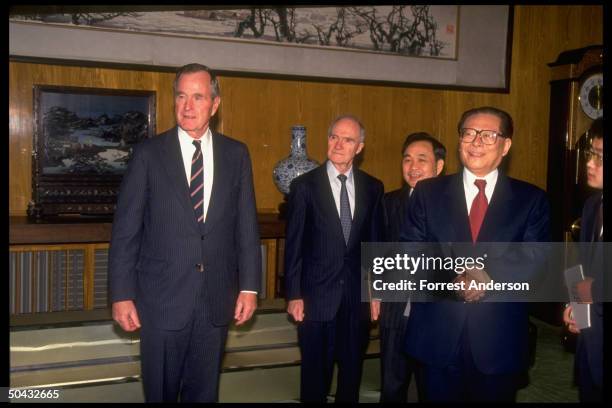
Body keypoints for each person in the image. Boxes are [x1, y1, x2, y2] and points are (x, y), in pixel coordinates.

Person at [108, 63, 261, 402]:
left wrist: (249, 287)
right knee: (160, 393)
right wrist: (121, 294)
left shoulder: (236, 154)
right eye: (181, 97)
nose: (188, 106)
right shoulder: (148, 154)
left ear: (215, 104)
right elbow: (126, 231)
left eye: (198, 97)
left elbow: (246, 227)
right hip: (161, 300)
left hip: (215, 300)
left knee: (204, 395)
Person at [401, 106, 550, 402]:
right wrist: (455, 279)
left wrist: (487, 275)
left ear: (506, 145)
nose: (476, 142)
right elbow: (411, 252)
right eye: (468, 134)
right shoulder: (428, 193)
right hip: (437, 336)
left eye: (488, 135)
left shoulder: (531, 199)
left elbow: (536, 259)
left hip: (499, 339)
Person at [284, 115, 385, 403]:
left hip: (357, 301)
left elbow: (376, 246)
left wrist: (377, 292)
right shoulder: (304, 186)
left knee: (351, 377)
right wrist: (293, 294)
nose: (339, 144)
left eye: (348, 139)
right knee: (315, 379)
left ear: (360, 147)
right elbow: (294, 247)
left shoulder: (373, 188)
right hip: (315, 299)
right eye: (333, 137)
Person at [376, 132, 446, 402]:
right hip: (396, 310)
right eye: (407, 160)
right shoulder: (389, 202)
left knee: (433, 389)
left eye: (421, 159)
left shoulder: (454, 205)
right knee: (392, 387)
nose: (413, 166)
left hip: (437, 313)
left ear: (438, 166)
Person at [563, 117, 603, 402]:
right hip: (592, 341)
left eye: (601, 157)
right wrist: (575, 306)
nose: (590, 163)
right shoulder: (592, 206)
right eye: (591, 154)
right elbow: (584, 269)